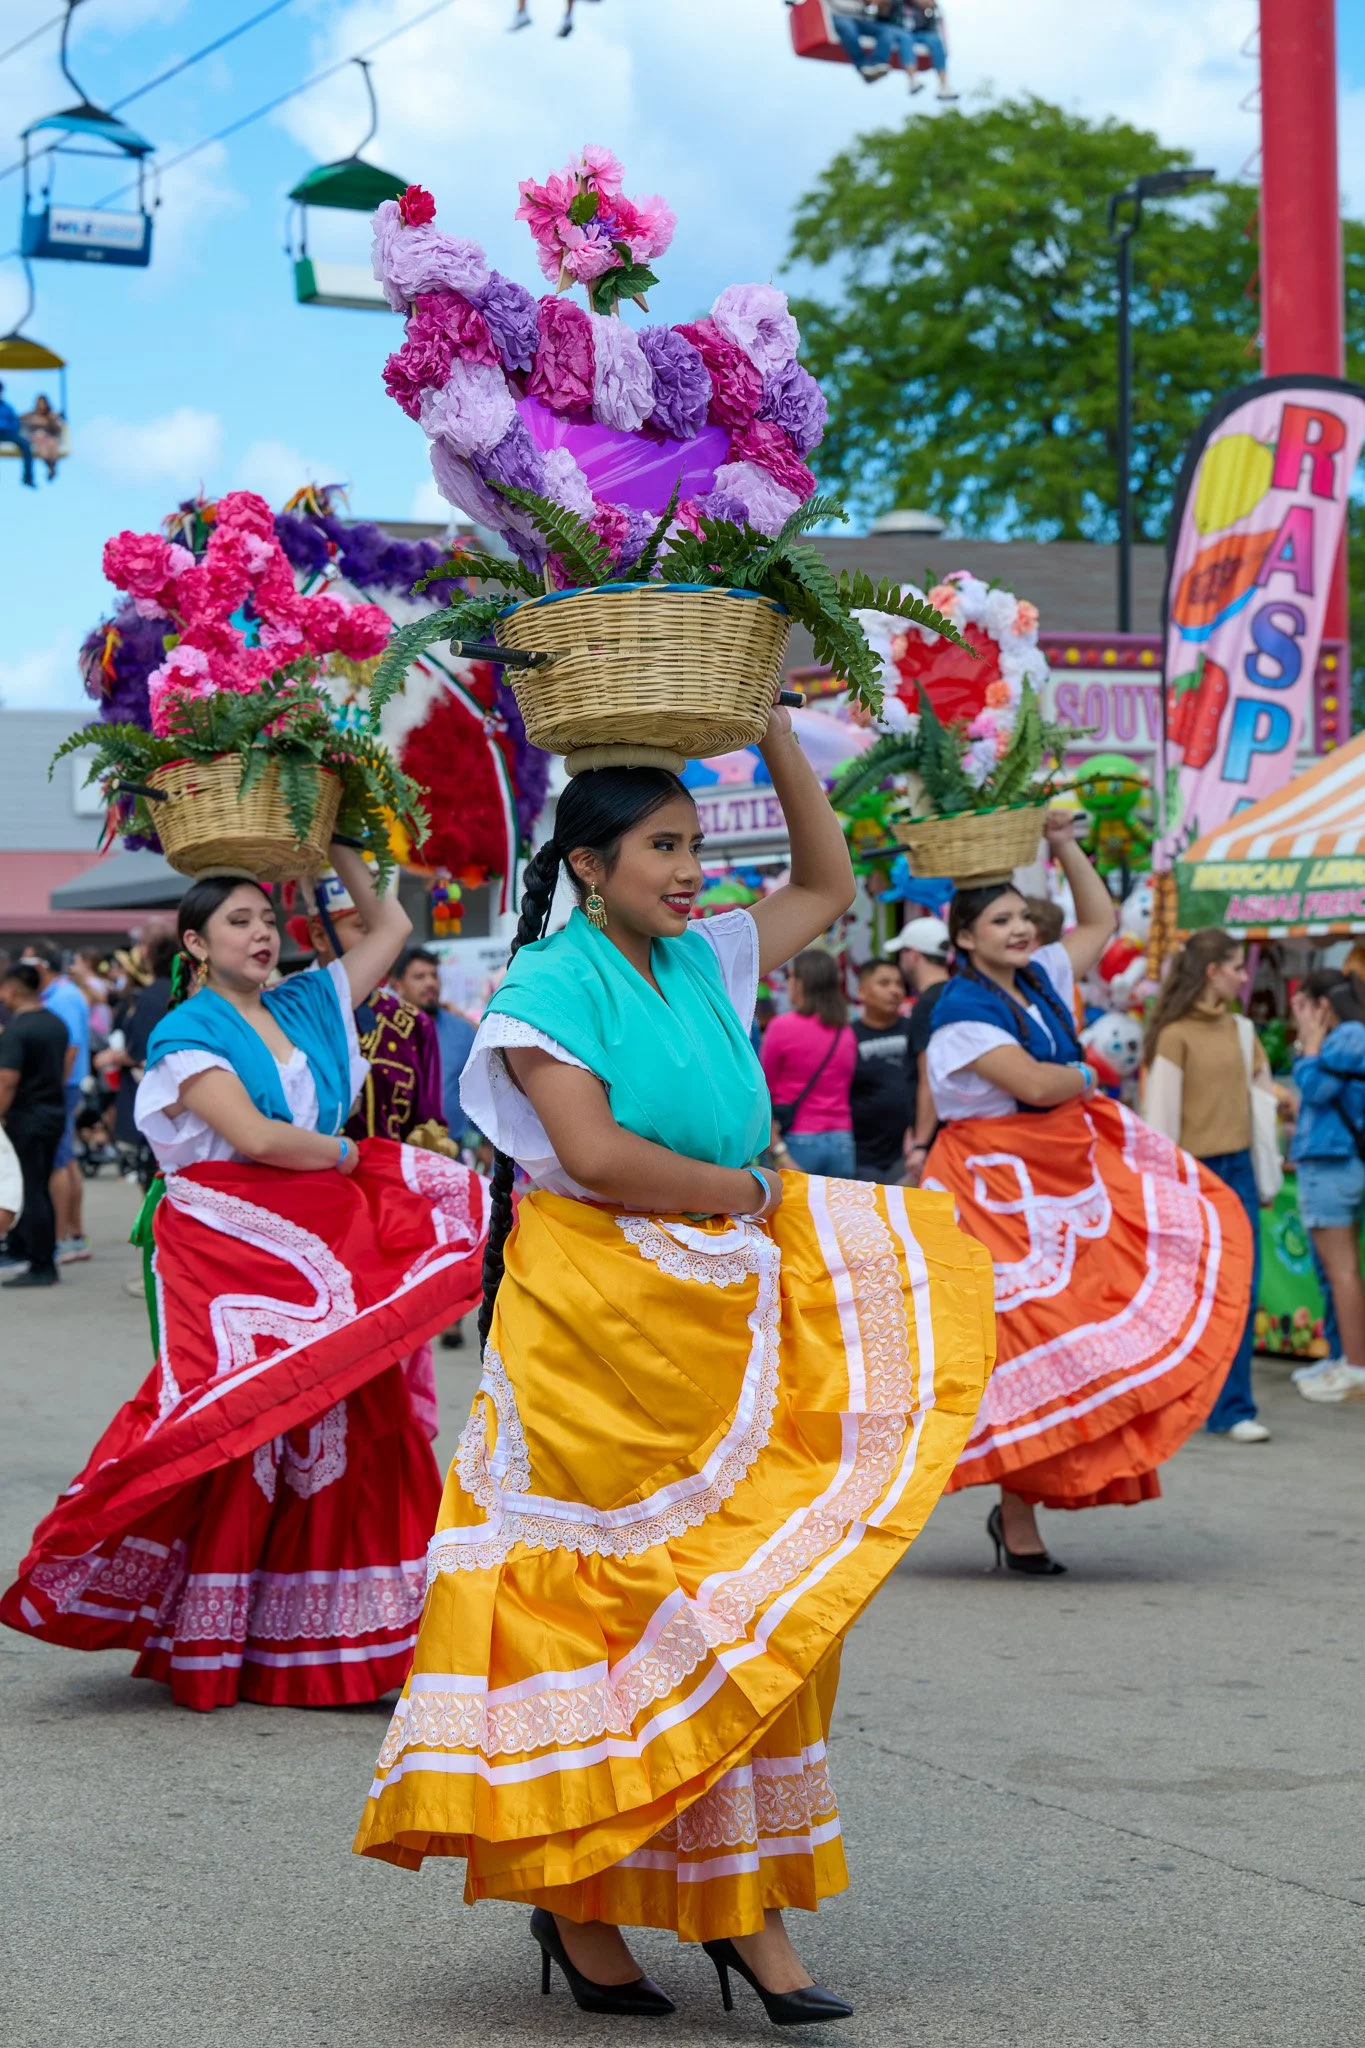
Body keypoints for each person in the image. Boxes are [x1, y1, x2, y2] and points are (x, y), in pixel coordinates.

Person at [352, 705, 996, 2023]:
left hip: (725, 1306)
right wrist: (752, 1196)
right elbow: (591, 1157)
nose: (692, 868)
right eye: (663, 845)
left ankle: (740, 1904)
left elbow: (825, 883)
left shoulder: (705, 958)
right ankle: (586, 1902)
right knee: (617, 1609)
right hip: (598, 1320)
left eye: (697, 843)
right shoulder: (539, 991)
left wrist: (772, 737)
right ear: (589, 864)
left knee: (761, 1606)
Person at [1, 848, 490, 1709]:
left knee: (353, 1430)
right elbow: (257, 1139)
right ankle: (228, 1635)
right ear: (194, 943)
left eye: (266, 919)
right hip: (236, 1251)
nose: (262, 933)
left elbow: (395, 927)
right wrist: (359, 1157)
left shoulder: (308, 1002)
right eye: (239, 921)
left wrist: (342, 849)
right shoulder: (187, 1035)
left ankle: (347, 1638)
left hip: (325, 1243)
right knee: (241, 1436)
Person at [921, 814, 1253, 1573]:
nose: (1017, 928)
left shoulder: (1039, 977)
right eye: (997, 919)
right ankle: (996, 1505)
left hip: (1057, 1181)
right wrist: (1087, 1073)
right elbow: (1037, 1083)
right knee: (1018, 1343)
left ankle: (1019, 1509)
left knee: (1073, 1333)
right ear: (964, 938)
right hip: (992, 1191)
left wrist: (1063, 841)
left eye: (1021, 917)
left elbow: (1099, 920)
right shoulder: (959, 1013)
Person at [1142, 929, 1275, 1443]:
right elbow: (1160, 1124)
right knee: (1188, 1294)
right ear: (1213, 971)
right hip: (1193, 1177)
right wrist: (1164, 1190)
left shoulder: (1242, 1030)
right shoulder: (1175, 1034)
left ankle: (1232, 1406)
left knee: (1241, 1289)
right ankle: (1185, 1398)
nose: (1245, 977)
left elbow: (1261, 1098)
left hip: (1238, 1169)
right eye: (1238, 967)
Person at [287, 879, 444, 1144]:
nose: (383, 941)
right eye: (364, 927)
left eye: (386, 929)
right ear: (320, 936)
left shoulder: (413, 1023)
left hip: (392, 1181)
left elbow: (428, 1123)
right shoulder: (282, 1010)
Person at [1285, 969, 1365, 1405]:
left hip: (1334, 1165)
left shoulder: (1347, 1037)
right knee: (1335, 1272)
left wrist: (1311, 1042)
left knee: (1342, 1273)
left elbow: (1315, 1088)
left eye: (1303, 1005)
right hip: (1336, 1164)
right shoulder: (1351, 1035)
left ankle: (1355, 1368)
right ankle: (1343, 1357)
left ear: (1323, 1005)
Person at [0, 962, 70, 1288]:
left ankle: (41, 1263)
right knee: (38, 1186)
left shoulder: (18, 1030)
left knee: (28, 1189)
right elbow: (68, 1059)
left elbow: (7, 1081)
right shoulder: (55, 1023)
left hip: (25, 1116)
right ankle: (27, 1250)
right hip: (52, 1111)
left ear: (12, 990)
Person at [22, 940, 91, 1264]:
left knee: (59, 1162)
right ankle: (74, 1233)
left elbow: (71, 1047)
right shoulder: (65, 992)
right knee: (68, 1159)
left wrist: (52, 1084)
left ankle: (61, 1236)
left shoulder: (61, 997)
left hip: (63, 1086)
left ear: (40, 967)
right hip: (69, 1085)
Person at [760, 947, 857, 1177]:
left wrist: (776, 1148)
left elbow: (764, 1089)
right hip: (842, 1140)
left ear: (802, 983)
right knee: (836, 1212)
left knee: (791, 1212)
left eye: (790, 976)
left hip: (796, 1140)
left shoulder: (782, 1027)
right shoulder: (845, 1031)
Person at [886, 914, 951, 1186]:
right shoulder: (956, 993)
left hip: (937, 1140)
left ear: (913, 955)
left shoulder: (926, 1004)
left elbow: (930, 1076)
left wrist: (921, 1143)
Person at [391, 944, 474, 1138]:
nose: (431, 983)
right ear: (398, 985)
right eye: (420, 977)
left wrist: (484, 1142)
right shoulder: (386, 1032)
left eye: (434, 975)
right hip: (401, 1147)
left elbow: (482, 1089)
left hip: (454, 1147)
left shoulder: (462, 1030)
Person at [850, 958, 915, 1181]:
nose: (895, 990)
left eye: (899, 983)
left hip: (912, 1156)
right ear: (862, 991)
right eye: (884, 983)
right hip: (864, 1159)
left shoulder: (915, 1030)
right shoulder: (848, 1037)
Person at [19, 393, 64, 482]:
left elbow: (57, 429)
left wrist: (53, 420)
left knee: (52, 444)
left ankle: (52, 467)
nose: (41, 406)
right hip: (37, 438)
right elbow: (19, 419)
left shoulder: (51, 416)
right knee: (42, 445)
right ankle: (51, 468)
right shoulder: (31, 415)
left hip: (49, 437)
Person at [0, 381, 37, 489]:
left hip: (7, 434)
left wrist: (9, 430)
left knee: (25, 445)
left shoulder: (7, 407)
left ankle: (28, 477)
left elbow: (15, 423)